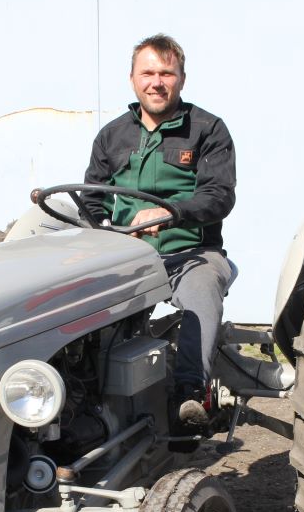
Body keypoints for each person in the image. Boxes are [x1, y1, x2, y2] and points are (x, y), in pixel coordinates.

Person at [82, 34, 236, 432]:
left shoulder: (207, 130)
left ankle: (189, 395)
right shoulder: (112, 135)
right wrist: (105, 232)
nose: (157, 81)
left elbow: (219, 197)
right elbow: (93, 200)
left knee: (201, 291)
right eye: (147, 72)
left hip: (192, 251)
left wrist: (171, 214)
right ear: (132, 79)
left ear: (181, 78)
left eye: (166, 73)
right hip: (126, 255)